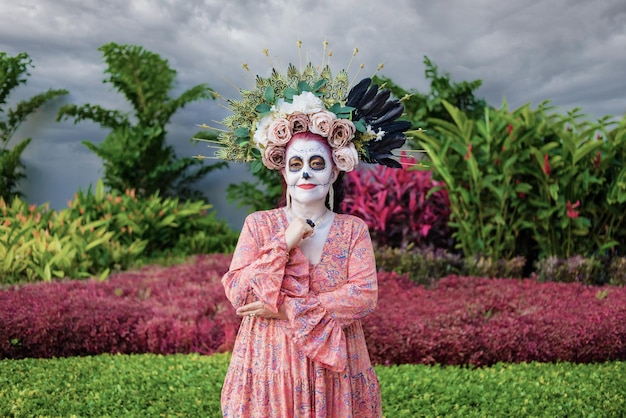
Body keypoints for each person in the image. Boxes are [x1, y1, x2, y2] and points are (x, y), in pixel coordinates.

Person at [206, 45, 411, 417]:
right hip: (270, 365)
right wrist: (285, 240)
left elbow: (364, 295)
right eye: (295, 163)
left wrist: (287, 308)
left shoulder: (352, 231)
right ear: (282, 170)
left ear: (334, 171)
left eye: (316, 163)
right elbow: (241, 292)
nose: (305, 173)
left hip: (338, 367)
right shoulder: (259, 225)